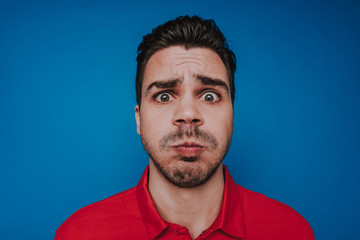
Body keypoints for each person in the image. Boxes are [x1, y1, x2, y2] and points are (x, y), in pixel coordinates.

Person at [55, 15, 314, 240]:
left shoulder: (293, 231)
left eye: (210, 95)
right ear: (138, 119)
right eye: (165, 96)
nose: (188, 115)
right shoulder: (79, 234)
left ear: (231, 115)